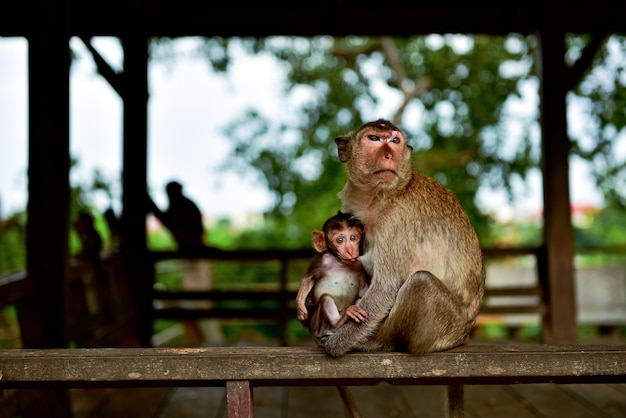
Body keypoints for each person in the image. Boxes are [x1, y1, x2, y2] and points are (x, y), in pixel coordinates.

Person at [147, 180, 221, 345]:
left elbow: (168, 222)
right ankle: (204, 342)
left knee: (198, 305)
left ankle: (209, 342)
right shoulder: (185, 206)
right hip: (192, 260)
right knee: (194, 305)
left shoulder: (183, 207)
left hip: (195, 260)